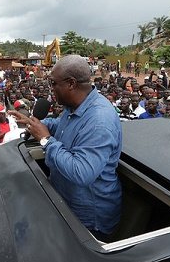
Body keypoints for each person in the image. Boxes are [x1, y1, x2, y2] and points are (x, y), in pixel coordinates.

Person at [9, 55, 122, 240]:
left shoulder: (99, 121)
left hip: (89, 218)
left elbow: (82, 173)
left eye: (53, 83)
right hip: (66, 202)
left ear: (71, 83)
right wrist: (34, 123)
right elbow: (60, 125)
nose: (51, 89)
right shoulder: (75, 106)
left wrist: (45, 140)